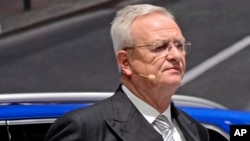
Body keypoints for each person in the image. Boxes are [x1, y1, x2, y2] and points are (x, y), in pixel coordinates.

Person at [45, 4, 210, 141]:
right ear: (125, 62)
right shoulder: (85, 129)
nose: (175, 55)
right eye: (159, 47)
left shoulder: (196, 131)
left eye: (179, 46)